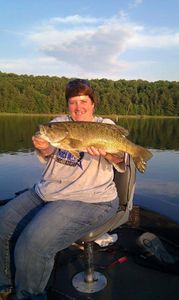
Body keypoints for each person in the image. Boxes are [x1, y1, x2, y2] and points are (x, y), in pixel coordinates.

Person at [0, 79, 126, 300]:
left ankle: (28, 296)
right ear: (67, 105)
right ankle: (5, 286)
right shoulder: (58, 124)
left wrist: (107, 153)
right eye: (72, 102)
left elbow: (120, 159)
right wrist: (45, 147)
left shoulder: (104, 125)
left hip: (91, 199)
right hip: (47, 192)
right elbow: (49, 152)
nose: (78, 107)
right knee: (3, 223)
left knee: (33, 243)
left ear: (93, 103)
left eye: (83, 101)